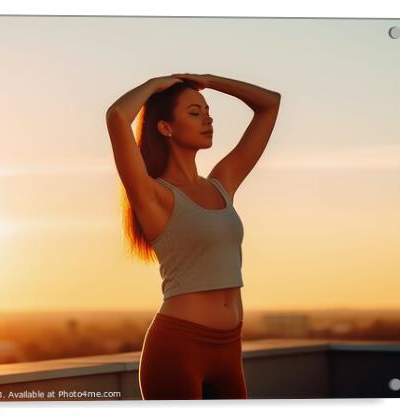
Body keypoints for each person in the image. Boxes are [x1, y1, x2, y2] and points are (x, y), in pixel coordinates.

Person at [105, 73, 281, 400]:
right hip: (178, 347)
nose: (208, 119)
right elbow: (117, 117)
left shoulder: (220, 183)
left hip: (230, 347)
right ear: (165, 127)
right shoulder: (154, 196)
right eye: (194, 113)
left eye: (207, 111)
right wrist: (157, 84)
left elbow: (270, 104)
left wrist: (208, 81)